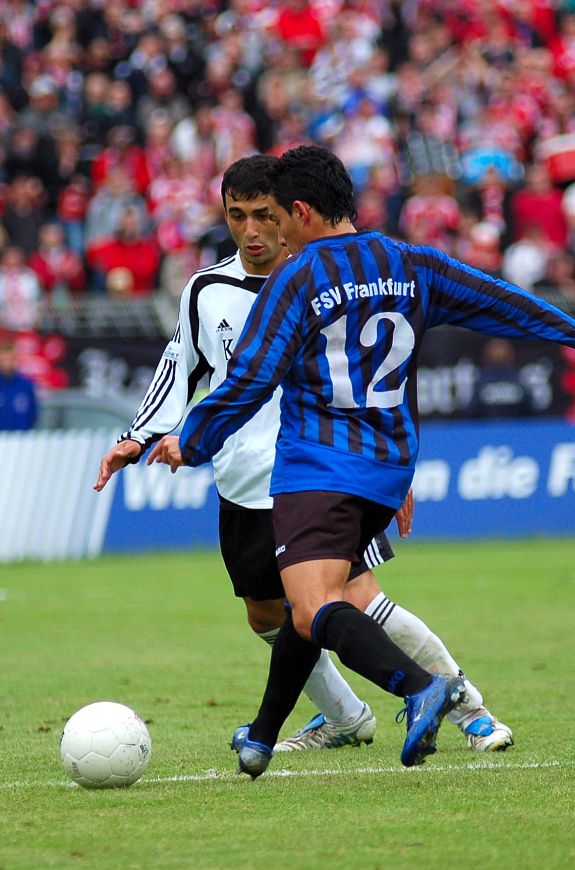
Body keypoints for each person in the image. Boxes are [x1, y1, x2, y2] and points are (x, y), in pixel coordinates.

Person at [150, 145, 575, 779]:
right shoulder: (409, 263)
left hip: (319, 465)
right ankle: (263, 738)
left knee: (314, 607)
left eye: (278, 217)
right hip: (389, 468)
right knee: (311, 596)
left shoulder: (298, 277)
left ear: (301, 211)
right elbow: (499, 300)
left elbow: (250, 375)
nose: (273, 232)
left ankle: (425, 689)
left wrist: (193, 439)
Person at [95, 155, 514, 757]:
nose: (251, 231)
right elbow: (179, 366)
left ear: (292, 213)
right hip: (242, 480)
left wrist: (393, 472)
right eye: (236, 215)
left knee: (357, 599)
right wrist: (138, 435)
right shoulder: (206, 290)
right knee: (267, 613)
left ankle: (471, 711)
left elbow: (381, 377)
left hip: (325, 470)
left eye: (263, 215)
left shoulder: (329, 279)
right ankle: (346, 717)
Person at [0, 328, 38, 431]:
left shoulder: (26, 385)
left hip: (21, 437)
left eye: (10, 359)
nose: (7, 364)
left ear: (16, 359)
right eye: (3, 360)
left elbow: (33, 414)